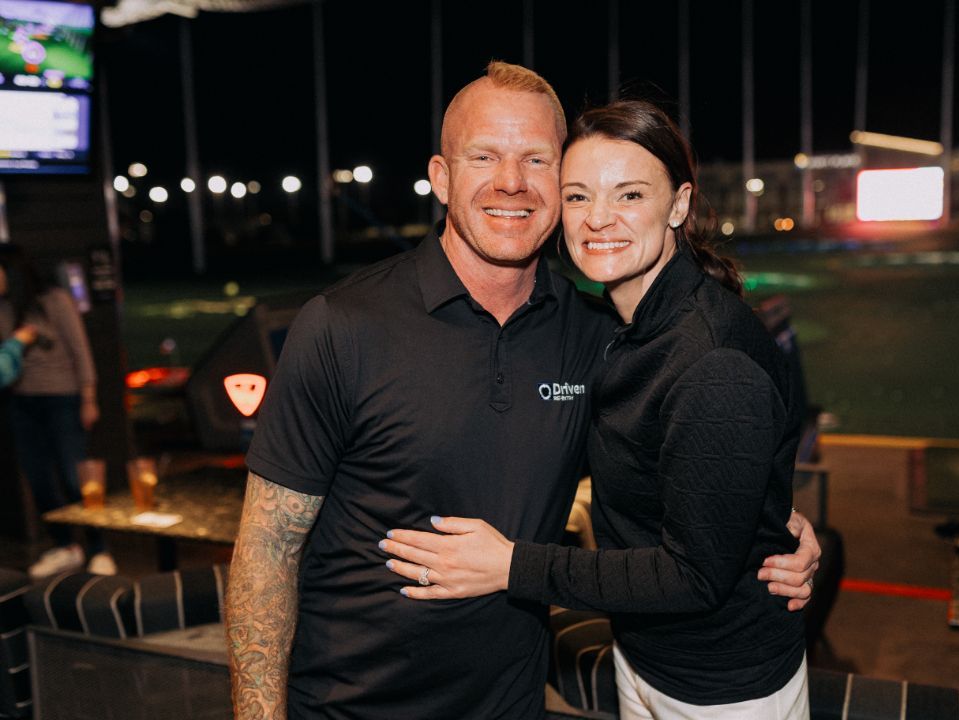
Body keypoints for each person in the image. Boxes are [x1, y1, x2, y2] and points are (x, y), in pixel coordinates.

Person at [226, 63, 817, 719]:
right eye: (485, 156)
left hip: (513, 704)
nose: (512, 181)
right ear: (442, 178)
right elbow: (265, 552)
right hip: (349, 705)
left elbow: (684, 454)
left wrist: (773, 524)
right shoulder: (341, 326)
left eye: (536, 159)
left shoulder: (593, 333)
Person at [382, 99, 811, 718]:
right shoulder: (621, 327)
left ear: (680, 205)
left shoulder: (711, 361)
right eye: (579, 196)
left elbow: (694, 577)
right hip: (646, 658)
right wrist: (776, 516)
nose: (599, 219)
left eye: (630, 195)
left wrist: (511, 566)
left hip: (724, 689)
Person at [0, 247, 114, 577]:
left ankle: (99, 548)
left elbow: (81, 352)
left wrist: (89, 398)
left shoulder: (55, 300)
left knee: (73, 476)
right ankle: (65, 545)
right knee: (39, 480)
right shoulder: (4, 308)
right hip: (21, 401)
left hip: (62, 398)